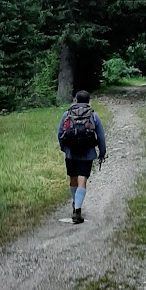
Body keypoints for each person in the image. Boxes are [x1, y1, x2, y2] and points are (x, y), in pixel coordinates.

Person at [57, 90, 106, 224]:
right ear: (88, 101)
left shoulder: (67, 114)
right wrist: (102, 153)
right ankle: (77, 210)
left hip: (71, 153)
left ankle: (75, 205)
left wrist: (65, 149)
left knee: (73, 179)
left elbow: (60, 133)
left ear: (76, 100)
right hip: (87, 153)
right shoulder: (94, 116)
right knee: (82, 180)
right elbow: (101, 137)